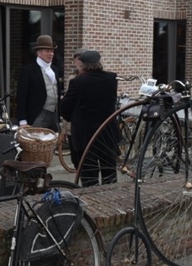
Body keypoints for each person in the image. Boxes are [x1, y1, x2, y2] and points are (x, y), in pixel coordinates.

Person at [59, 50, 118, 187]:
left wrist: (72, 117)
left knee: (89, 174)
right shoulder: (111, 78)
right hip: (107, 131)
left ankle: (91, 198)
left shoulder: (78, 82)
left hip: (85, 134)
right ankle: (111, 195)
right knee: (109, 171)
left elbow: (65, 107)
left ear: (83, 65)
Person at [16, 35, 63, 131]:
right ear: (39, 53)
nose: (51, 54)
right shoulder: (28, 70)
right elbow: (21, 97)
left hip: (54, 115)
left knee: (55, 139)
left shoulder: (54, 69)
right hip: (38, 114)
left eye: (52, 51)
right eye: (47, 51)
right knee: (35, 139)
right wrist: (23, 120)